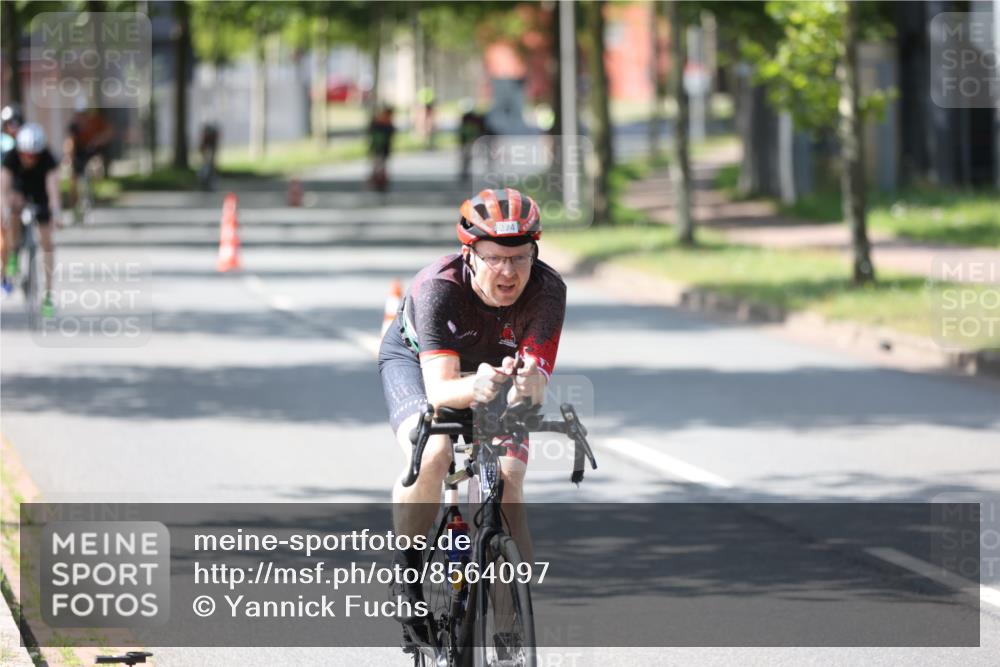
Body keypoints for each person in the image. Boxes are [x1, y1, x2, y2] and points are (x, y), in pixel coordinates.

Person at [378, 187, 566, 621]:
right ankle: (408, 579)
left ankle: (511, 622)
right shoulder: (438, 287)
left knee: (510, 475)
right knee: (434, 455)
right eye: (494, 257)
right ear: (469, 255)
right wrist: (475, 386)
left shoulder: (548, 291)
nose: (508, 271)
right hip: (420, 365)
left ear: (534, 255)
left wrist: (525, 382)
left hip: (493, 372)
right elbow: (442, 391)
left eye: (519, 257)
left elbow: (534, 387)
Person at [1, 123, 61, 311]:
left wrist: (56, 212)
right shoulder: (11, 158)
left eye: (34, 155)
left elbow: (53, 189)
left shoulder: (47, 158)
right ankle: (13, 253)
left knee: (47, 243)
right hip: (18, 194)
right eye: (26, 154)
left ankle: (48, 295)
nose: (30, 159)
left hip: (39, 196)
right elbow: (3, 187)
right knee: (11, 211)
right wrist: (4, 210)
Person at [65, 102, 115, 208]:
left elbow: (109, 132)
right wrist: (69, 157)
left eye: (83, 114)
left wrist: (98, 140)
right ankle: (73, 204)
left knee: (96, 167)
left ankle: (93, 191)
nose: (81, 117)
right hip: (79, 153)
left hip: (93, 152)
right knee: (73, 178)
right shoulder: (73, 126)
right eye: (79, 114)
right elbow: (70, 142)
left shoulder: (96, 122)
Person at [368, 105, 395, 192]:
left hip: (384, 149)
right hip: (376, 148)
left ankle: (381, 181)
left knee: (382, 166)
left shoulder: (389, 125)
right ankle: (376, 180)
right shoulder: (377, 123)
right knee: (376, 165)